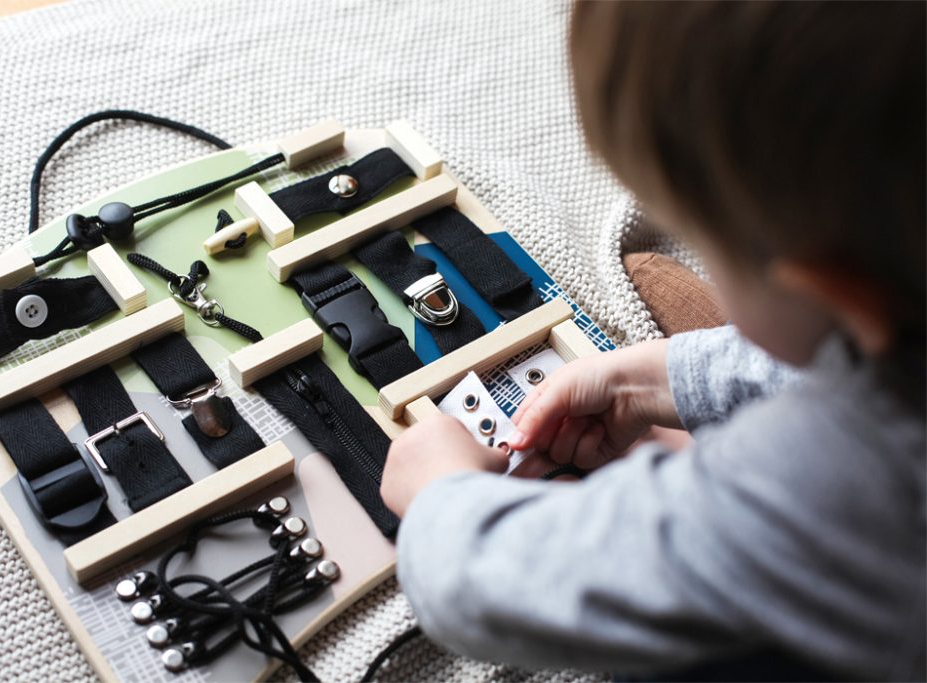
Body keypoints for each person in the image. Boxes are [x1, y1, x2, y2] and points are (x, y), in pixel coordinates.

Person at [380, 2, 925, 681]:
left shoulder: (835, 483)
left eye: (705, 244)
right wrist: (663, 375)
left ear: (831, 293)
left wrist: (438, 495)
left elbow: (501, 584)